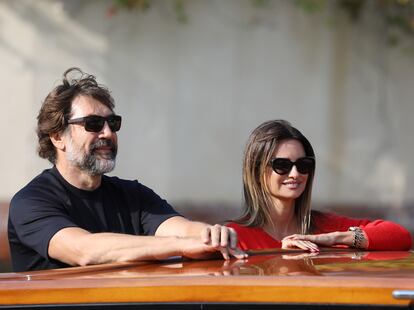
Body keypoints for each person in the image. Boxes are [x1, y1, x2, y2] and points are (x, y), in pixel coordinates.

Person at [8, 67, 246, 272]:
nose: (108, 133)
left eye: (113, 123)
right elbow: (85, 251)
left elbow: (182, 229)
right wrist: (181, 245)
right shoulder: (30, 203)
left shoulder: (134, 196)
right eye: (93, 124)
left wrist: (211, 235)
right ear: (58, 137)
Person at [227, 120, 412, 252]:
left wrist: (333, 238)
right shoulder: (234, 236)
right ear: (257, 172)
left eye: (303, 165)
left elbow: (400, 236)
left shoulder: (324, 227)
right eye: (282, 165)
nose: (295, 174)